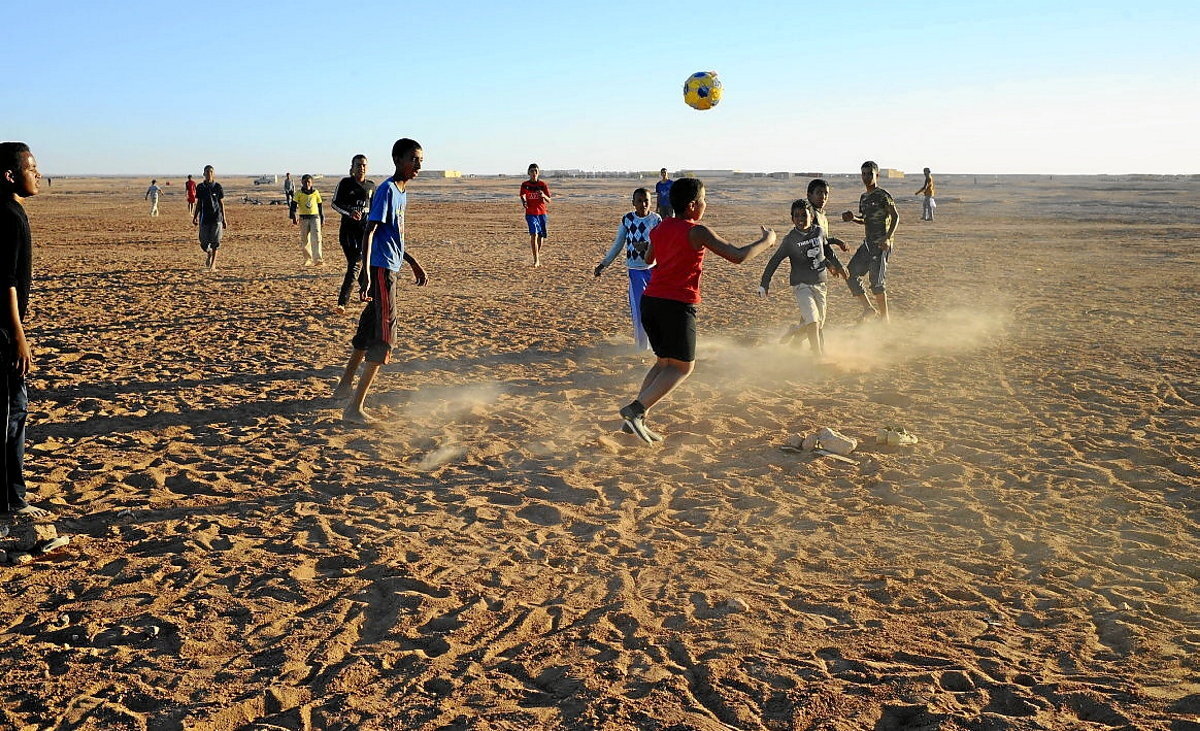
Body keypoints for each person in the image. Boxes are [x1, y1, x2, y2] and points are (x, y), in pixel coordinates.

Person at [618, 178, 776, 443]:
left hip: (651, 301)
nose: (705, 204)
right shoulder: (697, 231)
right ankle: (635, 411)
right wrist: (767, 241)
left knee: (664, 363)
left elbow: (649, 260)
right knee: (683, 368)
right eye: (703, 199)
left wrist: (662, 249)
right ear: (692, 205)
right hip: (676, 305)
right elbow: (737, 256)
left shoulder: (660, 227)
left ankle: (634, 421)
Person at [333, 138, 429, 424]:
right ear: (398, 160)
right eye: (413, 159)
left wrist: (412, 262)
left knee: (368, 326)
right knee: (385, 336)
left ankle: (343, 386)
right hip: (381, 270)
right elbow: (370, 231)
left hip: (391, 267)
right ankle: (354, 408)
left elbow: (393, 236)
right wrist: (364, 272)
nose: (418, 165)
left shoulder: (402, 191)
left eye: (420, 160)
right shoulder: (387, 190)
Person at [0, 142, 50, 516]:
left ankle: (13, 499)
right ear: (9, 175)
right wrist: (18, 335)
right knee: (11, 414)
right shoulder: (7, 215)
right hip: (1, 333)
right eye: (30, 168)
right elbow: (6, 282)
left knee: (15, 411)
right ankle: (10, 503)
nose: (37, 174)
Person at [758, 199, 846, 356]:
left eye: (804, 215)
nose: (800, 219)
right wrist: (764, 283)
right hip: (801, 285)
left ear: (811, 217)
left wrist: (836, 266)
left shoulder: (818, 231)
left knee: (818, 323)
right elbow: (775, 260)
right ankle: (818, 355)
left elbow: (826, 250)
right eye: (796, 216)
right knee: (812, 321)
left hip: (820, 284)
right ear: (792, 219)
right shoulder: (790, 240)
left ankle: (795, 332)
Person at [594, 187, 661, 350]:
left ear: (651, 202)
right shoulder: (628, 220)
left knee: (655, 309)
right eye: (639, 201)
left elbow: (662, 243)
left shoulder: (656, 220)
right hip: (635, 271)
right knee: (638, 309)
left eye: (646, 201)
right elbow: (618, 244)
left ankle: (656, 345)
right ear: (633, 203)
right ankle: (641, 347)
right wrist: (604, 264)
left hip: (653, 270)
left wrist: (648, 247)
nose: (643, 204)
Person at [841, 160, 898, 322]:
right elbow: (865, 220)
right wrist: (853, 219)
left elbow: (895, 216)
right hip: (868, 243)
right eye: (864, 174)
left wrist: (887, 238)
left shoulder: (883, 195)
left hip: (881, 244)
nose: (866, 177)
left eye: (869, 174)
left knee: (876, 283)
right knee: (850, 273)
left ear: (877, 175)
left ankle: (885, 318)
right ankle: (868, 309)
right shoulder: (864, 197)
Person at [331, 154, 376, 314]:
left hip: (364, 233)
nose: (361, 168)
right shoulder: (345, 183)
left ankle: (367, 295)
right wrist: (349, 213)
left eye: (364, 165)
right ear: (352, 167)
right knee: (355, 265)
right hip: (347, 234)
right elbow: (334, 203)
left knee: (357, 265)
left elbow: (374, 209)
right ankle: (346, 301)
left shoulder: (371, 186)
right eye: (358, 165)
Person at [191, 165, 227, 270]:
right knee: (203, 243)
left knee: (216, 242)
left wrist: (224, 219)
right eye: (207, 172)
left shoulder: (218, 187)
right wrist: (195, 216)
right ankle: (209, 253)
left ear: (214, 173)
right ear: (203, 174)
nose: (209, 174)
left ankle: (213, 265)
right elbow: (199, 203)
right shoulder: (200, 187)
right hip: (204, 218)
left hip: (217, 218)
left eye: (211, 171)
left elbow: (221, 203)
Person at [519, 163, 551, 267]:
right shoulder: (525, 184)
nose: (534, 173)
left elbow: (549, 200)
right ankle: (536, 260)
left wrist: (544, 196)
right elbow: (522, 195)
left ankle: (537, 254)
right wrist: (524, 201)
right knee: (534, 234)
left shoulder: (543, 185)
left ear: (538, 173)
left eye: (536, 171)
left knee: (541, 236)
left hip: (542, 213)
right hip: (530, 213)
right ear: (528, 172)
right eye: (532, 171)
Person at [805, 178, 849, 254]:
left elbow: (823, 241)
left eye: (826, 193)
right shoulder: (809, 214)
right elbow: (813, 242)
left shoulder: (820, 214)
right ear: (809, 195)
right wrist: (837, 241)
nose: (823, 197)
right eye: (819, 193)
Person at [291, 174, 324, 266]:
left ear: (311, 182)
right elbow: (293, 206)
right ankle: (308, 260)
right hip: (304, 218)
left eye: (308, 182)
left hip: (315, 218)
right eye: (305, 182)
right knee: (305, 239)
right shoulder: (298, 193)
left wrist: (322, 218)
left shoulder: (315, 192)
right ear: (302, 182)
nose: (307, 184)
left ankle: (318, 260)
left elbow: (320, 206)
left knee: (317, 238)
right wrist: (294, 217)